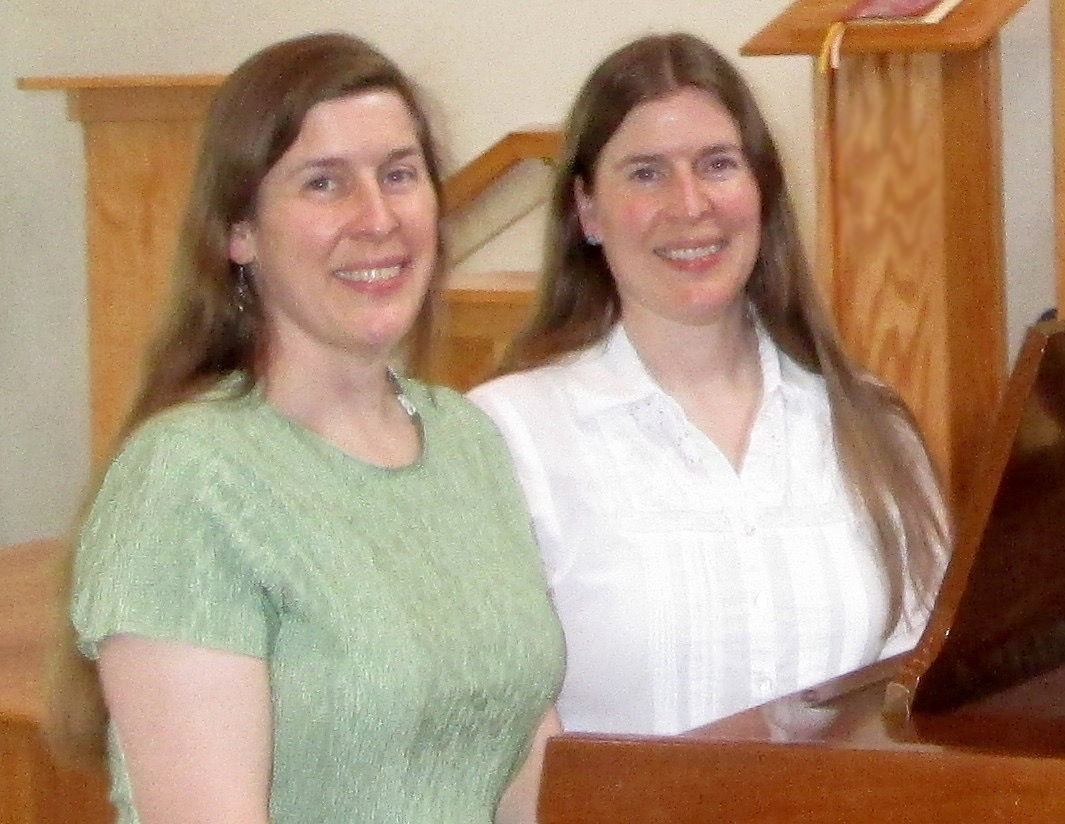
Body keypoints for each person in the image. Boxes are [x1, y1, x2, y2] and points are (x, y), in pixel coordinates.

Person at [50, 32, 563, 824]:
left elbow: (525, 760)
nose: (378, 218)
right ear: (239, 231)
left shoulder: (467, 440)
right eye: (324, 183)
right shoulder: (189, 479)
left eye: (399, 175)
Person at [468, 32, 948, 737]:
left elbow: (926, 710)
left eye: (717, 165)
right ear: (587, 210)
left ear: (761, 191)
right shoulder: (506, 439)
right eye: (645, 173)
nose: (690, 204)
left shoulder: (872, 425)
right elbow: (494, 741)